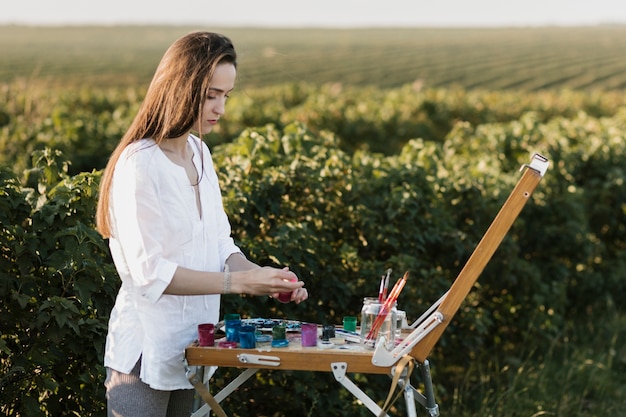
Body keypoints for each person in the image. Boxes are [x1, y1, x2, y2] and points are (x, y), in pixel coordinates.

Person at [95, 31, 308, 417]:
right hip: (146, 353)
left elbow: (221, 247)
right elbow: (150, 274)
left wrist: (264, 278)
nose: (221, 108)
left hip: (194, 348)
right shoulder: (139, 163)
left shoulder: (200, 153)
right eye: (211, 94)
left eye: (226, 96)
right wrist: (239, 284)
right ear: (181, 86)